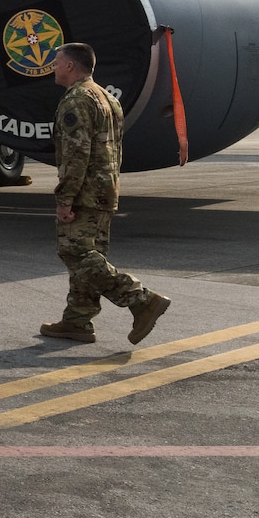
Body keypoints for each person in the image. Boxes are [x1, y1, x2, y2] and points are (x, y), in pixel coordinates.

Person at [40, 42, 171, 345]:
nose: (53, 67)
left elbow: (77, 154)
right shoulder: (107, 98)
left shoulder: (76, 99)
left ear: (70, 66)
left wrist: (65, 197)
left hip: (85, 192)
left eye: (57, 62)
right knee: (90, 255)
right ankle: (77, 321)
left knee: (75, 252)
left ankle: (141, 299)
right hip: (105, 189)